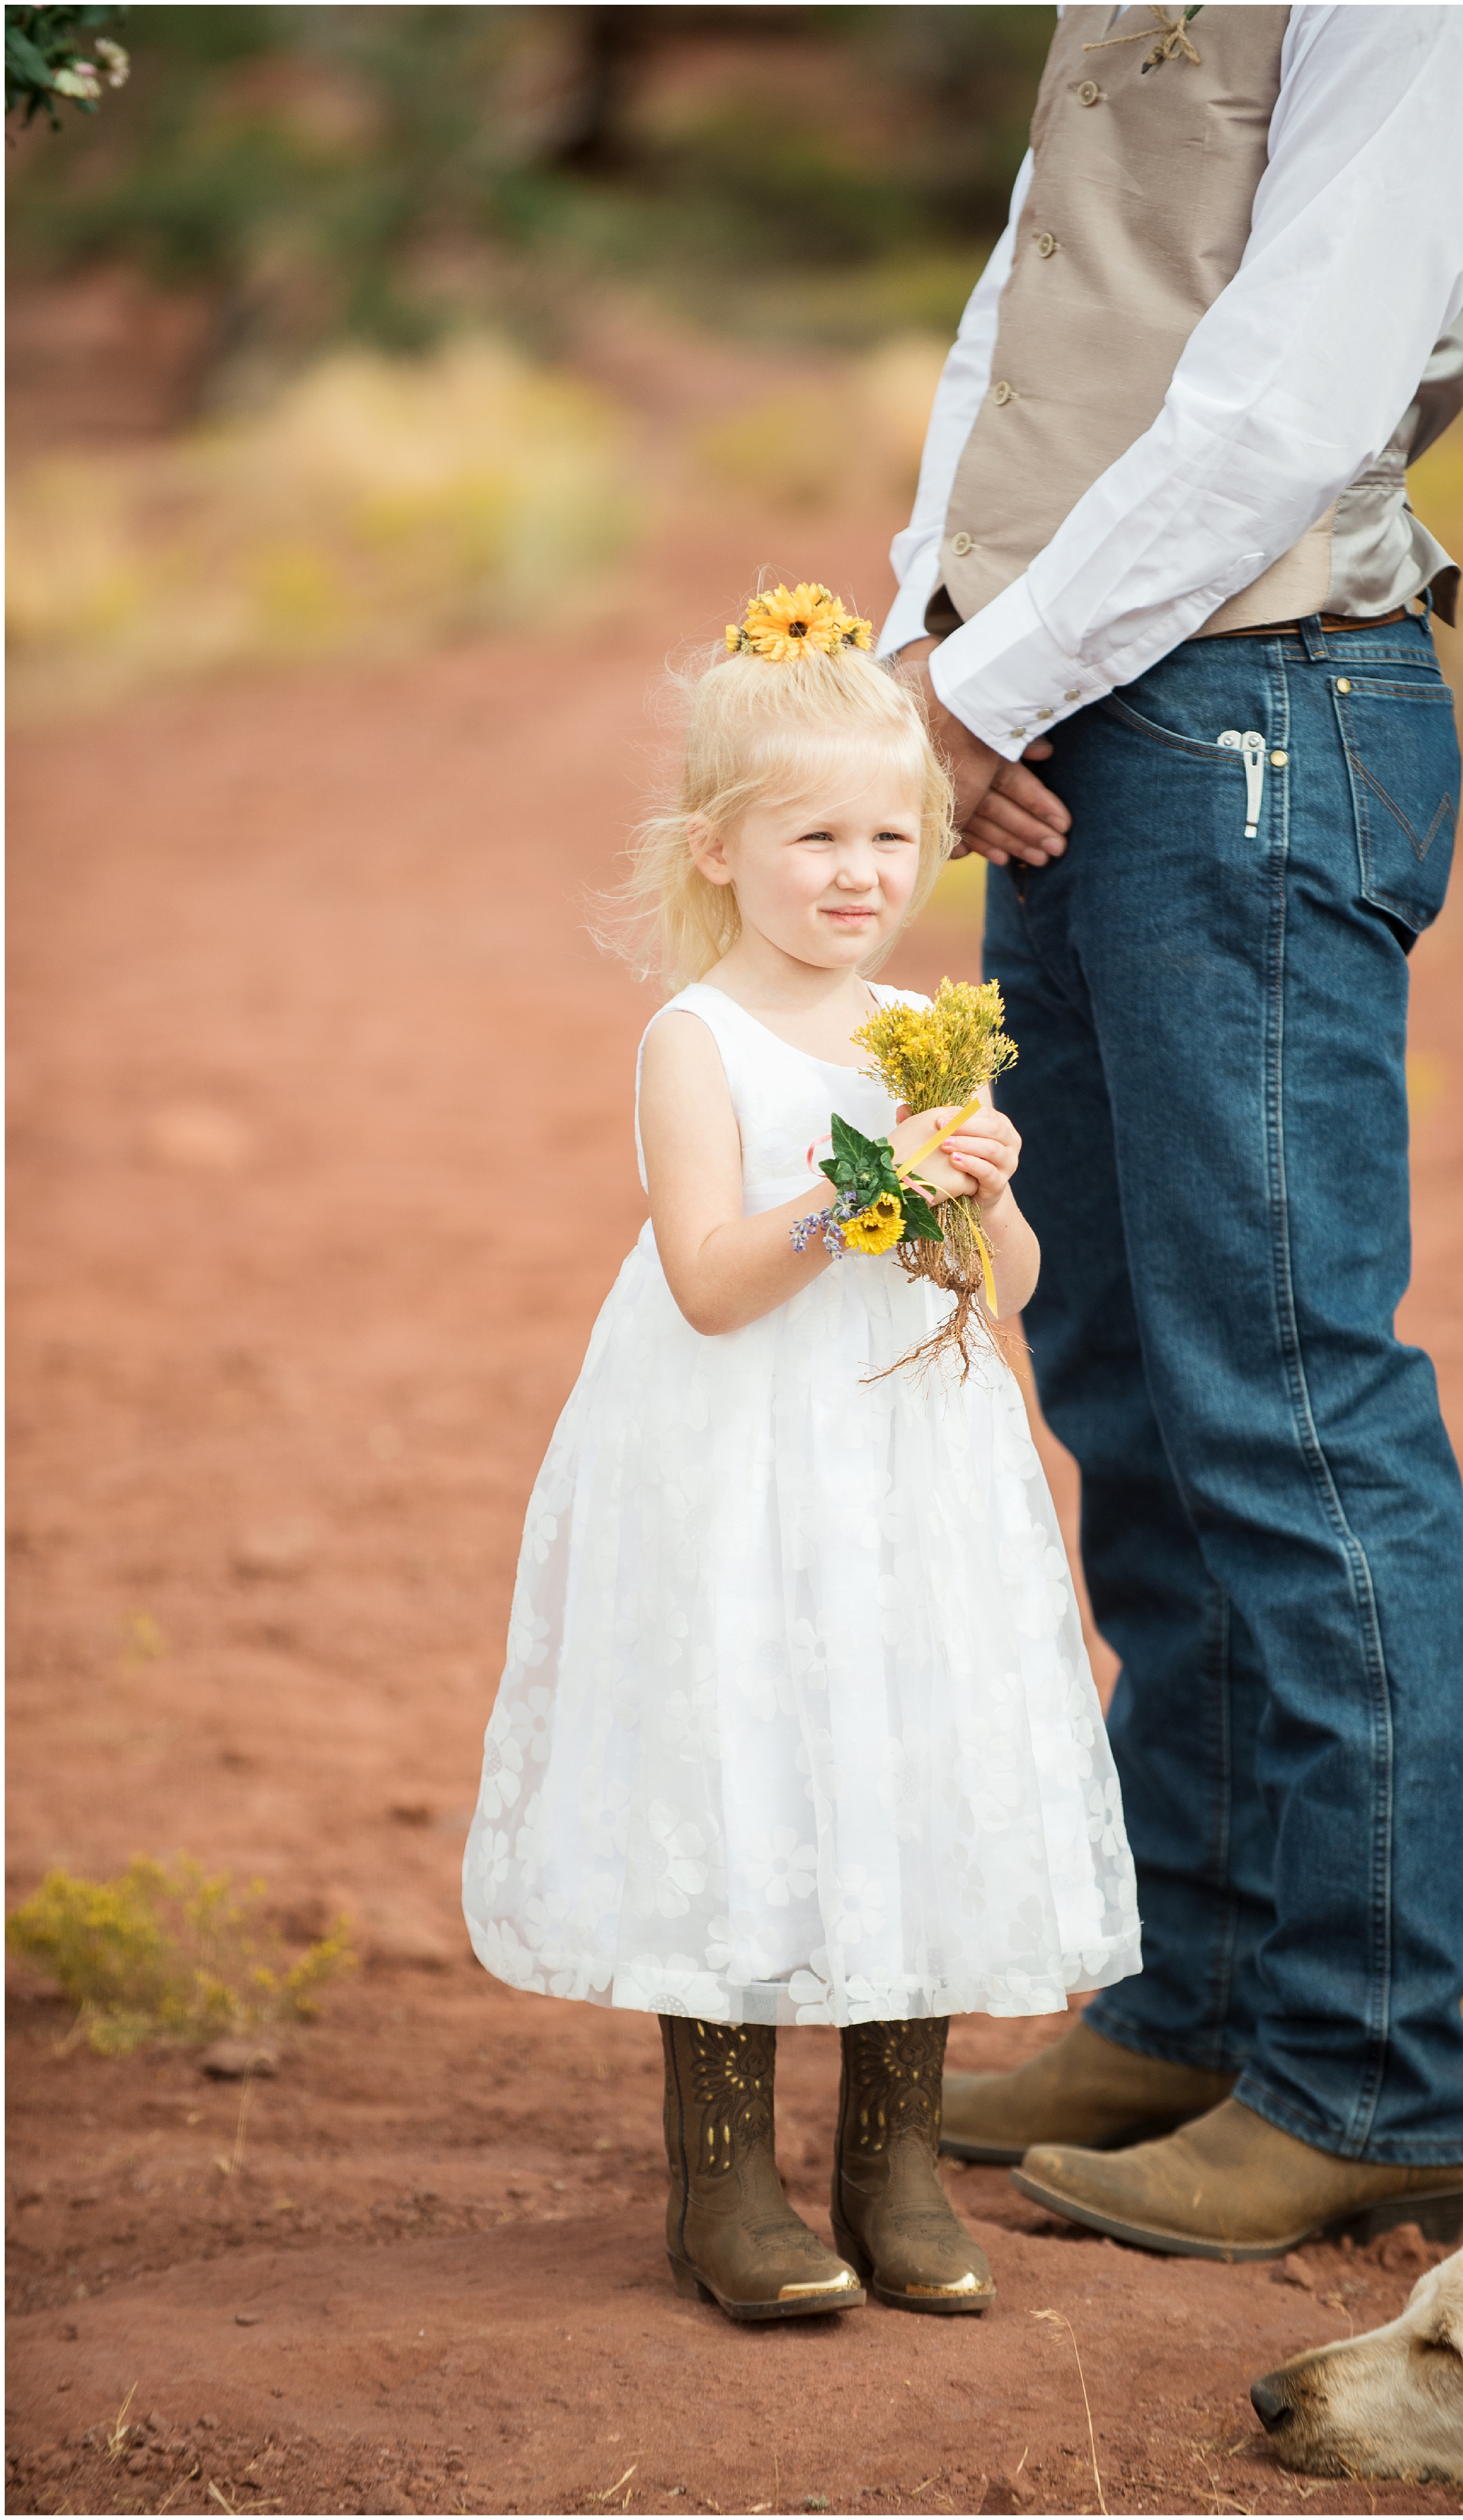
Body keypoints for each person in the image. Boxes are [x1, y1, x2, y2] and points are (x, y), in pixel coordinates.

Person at [877, 5, 1463, 2260]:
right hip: (1084, 695)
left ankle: (1368, 2065)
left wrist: (984, 685)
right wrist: (935, 626)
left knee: (1282, 1398)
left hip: (1258, 706)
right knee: (1130, 1393)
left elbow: (1284, 396)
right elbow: (1041, 285)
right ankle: (1194, 1994)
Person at [460, 584, 1140, 2321]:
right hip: (744, 1461)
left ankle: (895, 2166)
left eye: (896, 836)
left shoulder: (925, 1027)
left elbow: (1013, 1285)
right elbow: (706, 1283)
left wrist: (977, 1191)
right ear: (718, 850)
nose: (862, 872)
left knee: (908, 1739)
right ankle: (726, 2187)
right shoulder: (699, 1041)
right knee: (748, 1745)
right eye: (818, 835)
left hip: (912, 1464)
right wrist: (865, 1191)